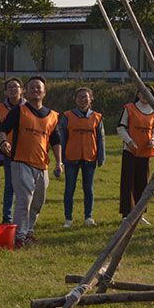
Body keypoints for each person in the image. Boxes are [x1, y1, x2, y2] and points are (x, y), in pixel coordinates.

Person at [0, 76, 63, 248]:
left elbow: (56, 141)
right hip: (20, 162)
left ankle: (29, 232)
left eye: (38, 87)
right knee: (24, 200)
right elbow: (3, 130)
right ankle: (19, 237)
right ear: (26, 91)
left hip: (42, 165)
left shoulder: (52, 116)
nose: (35, 90)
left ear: (44, 92)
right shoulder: (19, 110)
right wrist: (4, 142)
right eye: (32, 87)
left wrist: (59, 162)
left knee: (37, 202)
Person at [59, 87, 105, 227]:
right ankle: (68, 219)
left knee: (88, 189)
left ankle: (88, 217)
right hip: (71, 158)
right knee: (69, 188)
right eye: (79, 96)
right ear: (75, 99)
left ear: (91, 99)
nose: (82, 99)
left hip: (90, 158)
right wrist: (60, 159)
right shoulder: (67, 116)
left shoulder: (97, 117)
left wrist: (101, 157)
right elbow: (61, 138)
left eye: (85, 97)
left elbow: (101, 138)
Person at [117, 88, 154, 225]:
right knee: (128, 182)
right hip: (130, 151)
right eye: (141, 92)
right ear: (138, 94)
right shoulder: (129, 108)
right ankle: (127, 213)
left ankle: (140, 214)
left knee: (143, 183)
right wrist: (129, 141)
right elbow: (120, 127)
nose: (144, 96)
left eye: (148, 93)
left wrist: (153, 140)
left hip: (145, 152)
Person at [0, 77, 25, 224]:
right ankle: (7, 218)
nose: (13, 89)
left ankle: (23, 218)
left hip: (26, 151)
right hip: (8, 152)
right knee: (9, 186)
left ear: (22, 90)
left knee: (25, 186)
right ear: (6, 91)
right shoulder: (0, 108)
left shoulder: (29, 106)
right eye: (10, 87)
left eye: (16, 87)